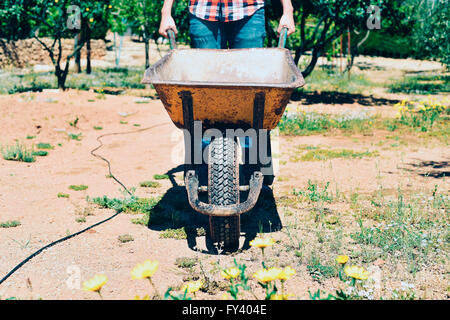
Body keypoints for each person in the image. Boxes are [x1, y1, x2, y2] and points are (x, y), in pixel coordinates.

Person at [159, 0, 295, 49]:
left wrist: (288, 10)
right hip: (203, 10)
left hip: (248, 9)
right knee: (205, 81)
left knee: (249, 78)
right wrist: (166, 12)